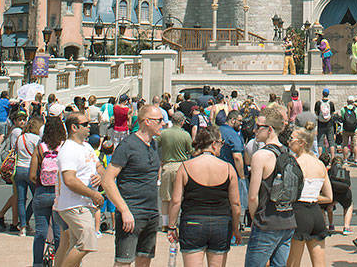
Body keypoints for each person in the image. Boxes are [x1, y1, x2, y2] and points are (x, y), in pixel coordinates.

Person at [167, 125, 241, 267]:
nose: (221, 146)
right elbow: (236, 204)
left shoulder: (185, 167)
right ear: (213, 144)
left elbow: (176, 201)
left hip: (192, 223)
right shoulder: (228, 168)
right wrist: (236, 228)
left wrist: (171, 226)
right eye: (221, 143)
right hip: (221, 224)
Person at [103, 102, 164, 267]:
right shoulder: (127, 145)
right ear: (146, 121)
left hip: (151, 213)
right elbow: (108, 180)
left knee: (144, 260)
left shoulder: (154, 144)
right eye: (159, 120)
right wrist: (123, 210)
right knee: (123, 262)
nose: (163, 123)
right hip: (132, 212)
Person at [245, 103, 297, 267]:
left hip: (267, 221)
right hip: (287, 220)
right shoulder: (288, 153)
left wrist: (255, 219)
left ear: (270, 129)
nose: (255, 130)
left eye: (259, 127)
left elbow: (253, 196)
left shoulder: (260, 156)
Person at [53, 112, 103, 267]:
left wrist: (100, 177)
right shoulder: (68, 149)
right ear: (74, 127)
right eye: (86, 124)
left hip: (84, 204)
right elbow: (69, 180)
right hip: (73, 204)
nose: (89, 127)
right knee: (87, 241)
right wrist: (93, 194)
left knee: (72, 244)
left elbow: (99, 166)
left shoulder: (86, 146)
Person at [286, 127, 332, 267]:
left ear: (301, 143)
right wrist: (313, 195)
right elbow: (329, 197)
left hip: (299, 212)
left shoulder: (295, 163)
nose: (289, 142)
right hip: (316, 213)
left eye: (291, 139)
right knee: (319, 263)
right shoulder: (319, 164)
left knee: (293, 262)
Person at [30, 116, 66, 267]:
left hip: (42, 192)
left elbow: (32, 175)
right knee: (58, 234)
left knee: (40, 232)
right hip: (58, 193)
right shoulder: (63, 147)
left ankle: (37, 263)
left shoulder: (40, 148)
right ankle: (58, 261)